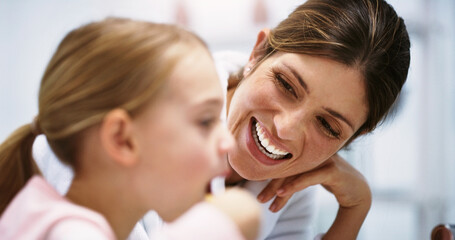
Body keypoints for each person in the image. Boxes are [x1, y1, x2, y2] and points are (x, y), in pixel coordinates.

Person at [31, 0, 411, 239]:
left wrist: (354, 210)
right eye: (286, 85)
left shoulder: (290, 190)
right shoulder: (140, 108)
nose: (286, 129)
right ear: (258, 51)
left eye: (328, 127)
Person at [0, 17, 261, 240]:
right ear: (121, 139)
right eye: (205, 121)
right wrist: (226, 219)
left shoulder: (36, 210)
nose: (227, 142)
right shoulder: (71, 233)